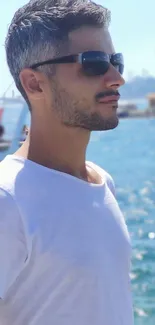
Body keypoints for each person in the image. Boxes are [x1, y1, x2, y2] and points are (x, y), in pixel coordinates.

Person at [0, 1, 133, 324]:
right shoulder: (7, 202)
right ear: (34, 83)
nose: (117, 78)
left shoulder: (103, 182)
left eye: (116, 61)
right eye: (94, 63)